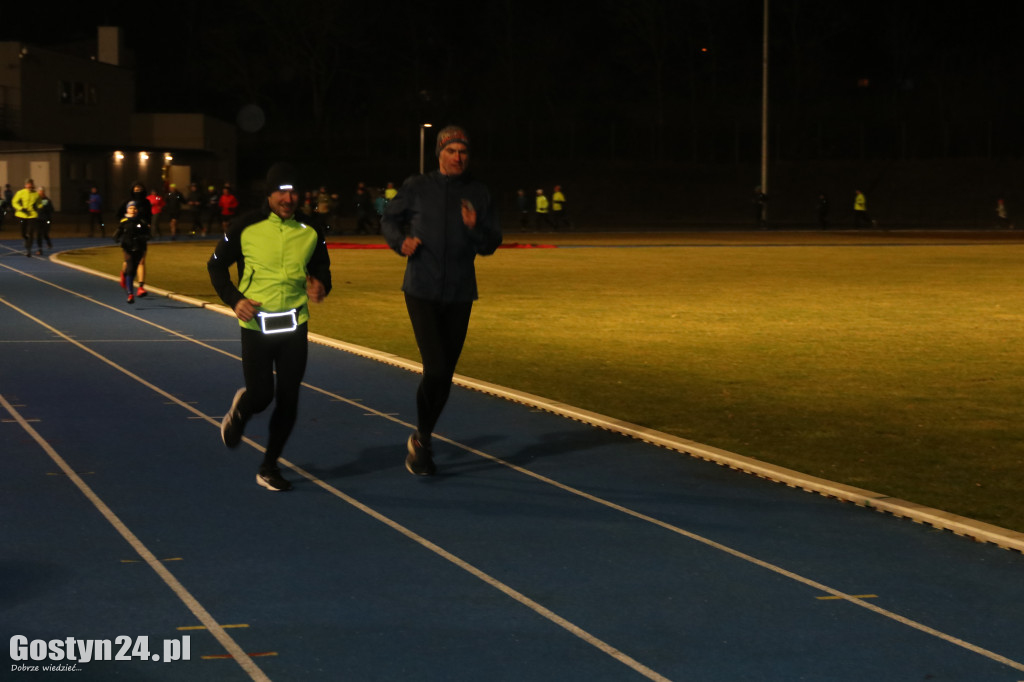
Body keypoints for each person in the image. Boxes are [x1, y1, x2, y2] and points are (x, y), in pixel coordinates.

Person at [380, 125, 502, 476]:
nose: (458, 157)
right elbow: (390, 218)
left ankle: (422, 439)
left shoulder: (479, 192)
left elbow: (491, 242)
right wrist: (399, 241)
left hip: (461, 292)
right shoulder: (418, 187)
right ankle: (422, 438)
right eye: (451, 151)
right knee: (434, 368)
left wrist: (476, 227)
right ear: (440, 154)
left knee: (445, 375)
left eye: (463, 151)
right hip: (421, 289)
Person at [208, 162, 332, 492]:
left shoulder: (312, 229)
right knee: (263, 395)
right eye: (281, 191)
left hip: (295, 324)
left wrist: (320, 286)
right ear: (269, 193)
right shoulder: (245, 226)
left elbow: (322, 268)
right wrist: (235, 299)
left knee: (289, 399)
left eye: (293, 192)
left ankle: (269, 466)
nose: (287, 198)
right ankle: (243, 407)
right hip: (256, 325)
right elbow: (216, 266)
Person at [117, 183, 153, 295]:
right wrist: (124, 224)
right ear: (132, 190)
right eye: (136, 190)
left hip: (140, 234)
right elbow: (118, 214)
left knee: (141, 260)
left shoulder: (146, 202)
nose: (138, 192)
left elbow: (149, 215)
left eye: (140, 189)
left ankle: (141, 286)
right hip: (128, 235)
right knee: (129, 261)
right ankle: (124, 274)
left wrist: (148, 225)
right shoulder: (126, 202)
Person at [113, 201, 151, 304]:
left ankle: (137, 285)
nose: (132, 210)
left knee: (135, 268)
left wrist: (141, 238)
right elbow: (118, 231)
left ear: (137, 210)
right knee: (130, 268)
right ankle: (130, 294)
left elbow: (148, 235)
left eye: (134, 208)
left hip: (139, 248)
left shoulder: (142, 221)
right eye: (130, 208)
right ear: (127, 210)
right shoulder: (124, 221)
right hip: (128, 247)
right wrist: (116, 237)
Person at [12, 178, 40, 257]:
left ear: (32, 185)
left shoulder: (36, 194)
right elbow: (14, 202)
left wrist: (39, 207)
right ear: (25, 185)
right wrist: (21, 208)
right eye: (28, 184)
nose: (29, 186)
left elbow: (39, 203)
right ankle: (25, 238)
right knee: (23, 233)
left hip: (32, 215)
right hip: (21, 215)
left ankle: (28, 250)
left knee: (31, 232)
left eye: (31, 184)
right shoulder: (20, 193)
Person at [35, 187, 54, 254]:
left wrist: (49, 218)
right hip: (38, 219)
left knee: (45, 234)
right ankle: (40, 249)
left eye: (41, 192)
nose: (40, 193)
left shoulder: (46, 200)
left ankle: (48, 243)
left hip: (46, 219)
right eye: (39, 192)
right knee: (38, 235)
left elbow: (48, 209)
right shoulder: (36, 199)